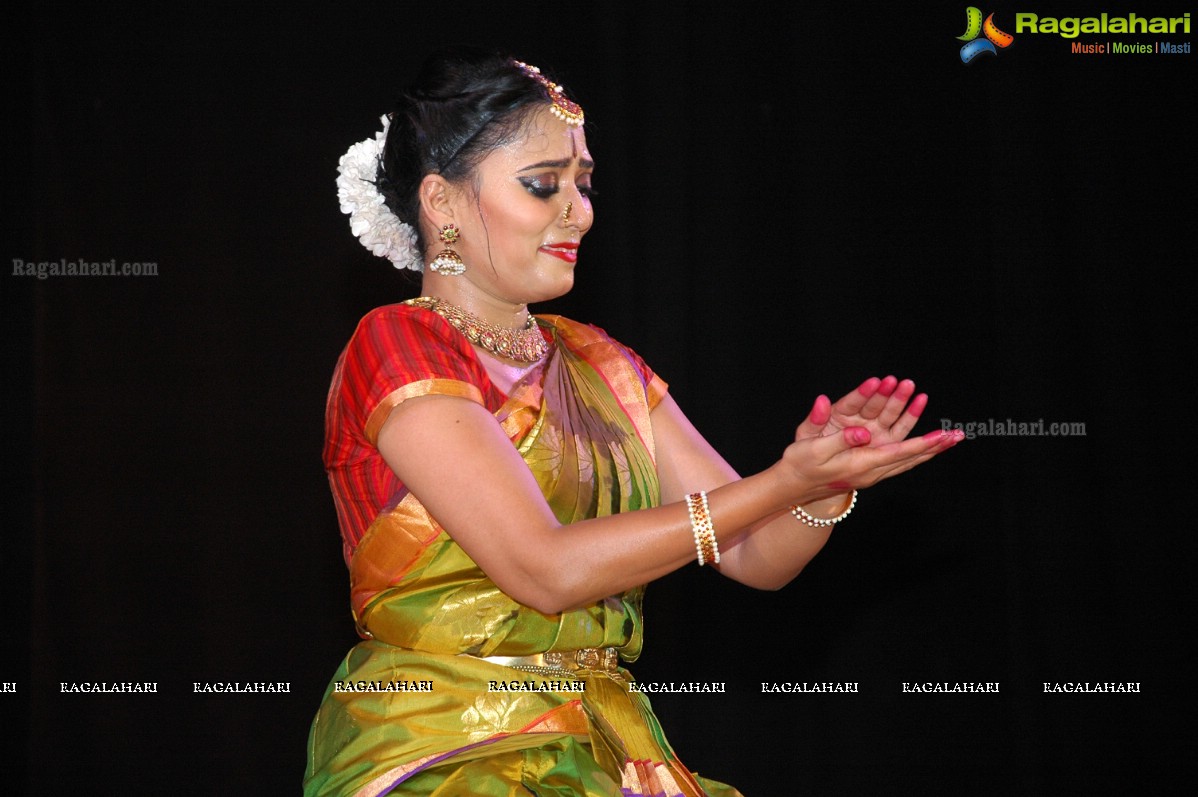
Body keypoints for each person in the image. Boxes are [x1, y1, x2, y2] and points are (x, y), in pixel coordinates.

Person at [306, 47, 963, 797]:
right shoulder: (396, 343)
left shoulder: (599, 361)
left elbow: (755, 555)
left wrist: (822, 487)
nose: (578, 211)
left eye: (582, 183)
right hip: (447, 747)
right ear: (442, 202)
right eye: (542, 184)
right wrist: (780, 482)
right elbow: (544, 571)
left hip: (606, 743)